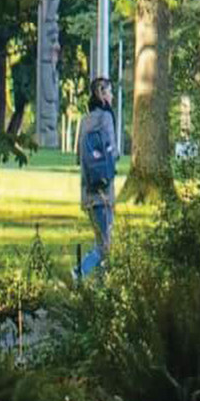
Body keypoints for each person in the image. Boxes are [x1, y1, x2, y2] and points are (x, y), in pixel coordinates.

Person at [75, 77, 121, 278]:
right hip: (103, 191)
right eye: (109, 92)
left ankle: (101, 284)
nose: (111, 96)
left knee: (101, 240)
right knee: (105, 245)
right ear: (101, 95)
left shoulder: (85, 121)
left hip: (88, 191)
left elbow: (79, 156)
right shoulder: (106, 118)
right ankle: (80, 272)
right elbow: (113, 152)